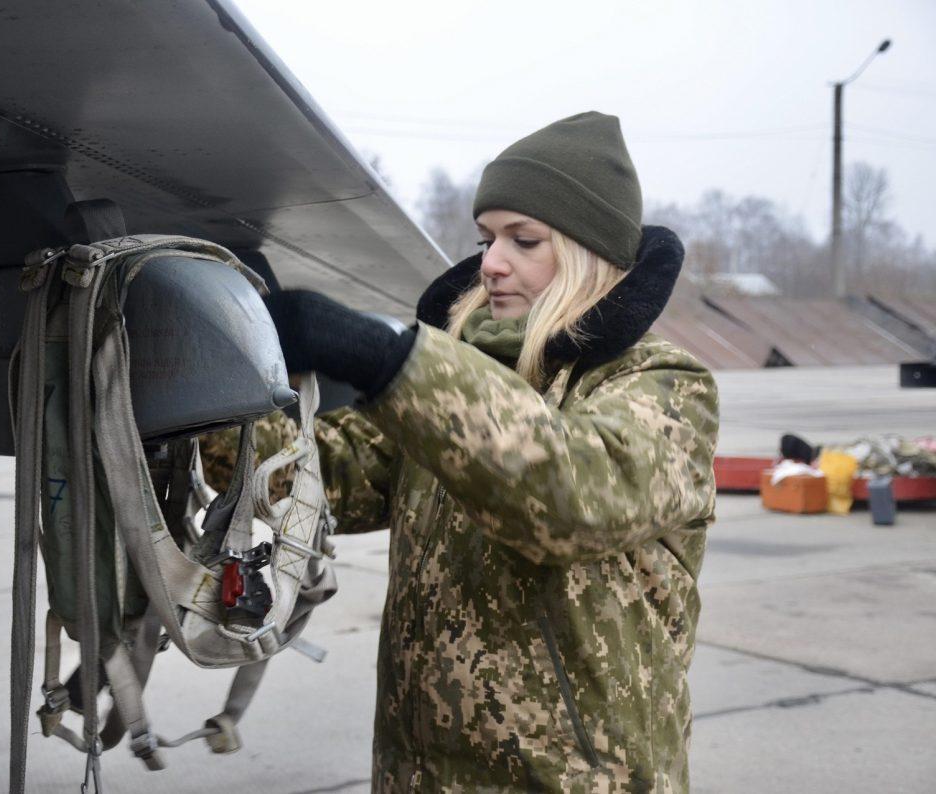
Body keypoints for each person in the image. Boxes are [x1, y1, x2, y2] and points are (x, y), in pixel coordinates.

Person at [201, 111, 718, 792]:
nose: (491, 262)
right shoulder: (458, 371)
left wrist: (387, 359)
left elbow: (573, 498)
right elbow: (333, 480)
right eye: (486, 238)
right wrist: (208, 392)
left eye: (523, 240)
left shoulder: (661, 384)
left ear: (591, 252)